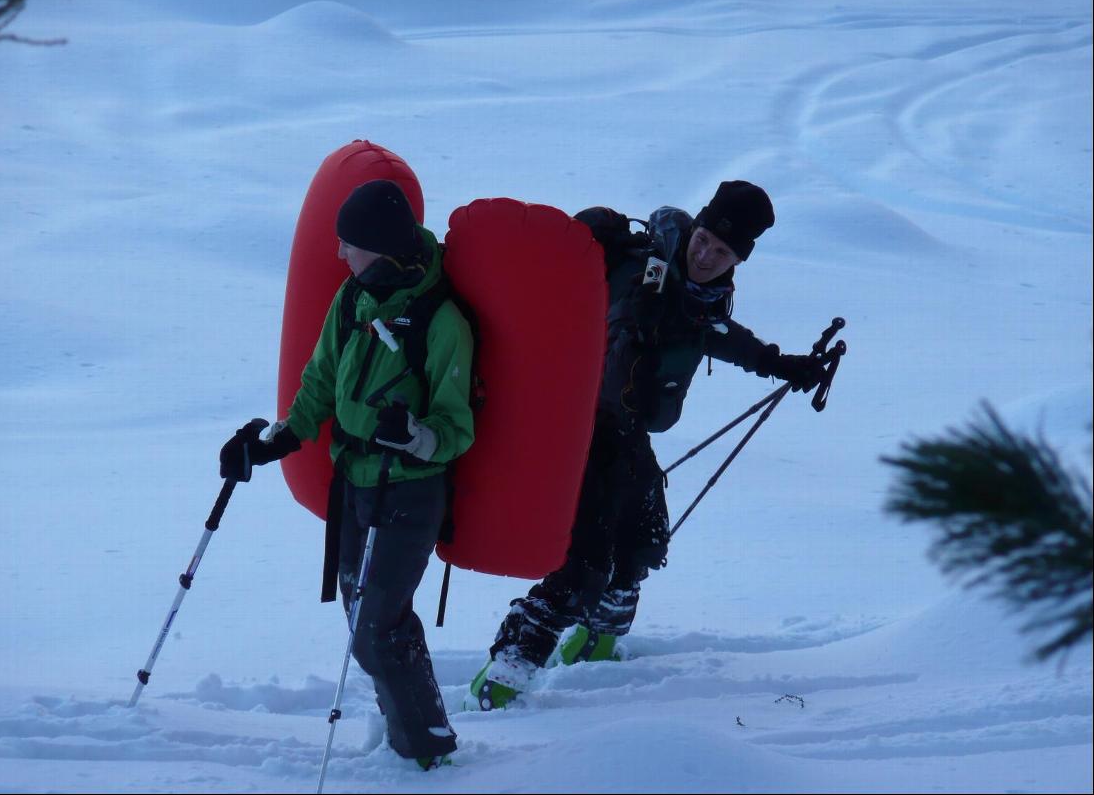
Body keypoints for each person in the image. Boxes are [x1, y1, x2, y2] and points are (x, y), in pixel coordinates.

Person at [468, 180, 827, 710]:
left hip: (626, 432)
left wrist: (782, 364)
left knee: (643, 537)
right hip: (579, 430)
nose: (705, 254)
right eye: (704, 238)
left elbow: (719, 335)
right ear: (697, 225)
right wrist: (634, 318)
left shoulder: (704, 298)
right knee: (583, 562)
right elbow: (585, 312)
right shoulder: (639, 269)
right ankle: (506, 673)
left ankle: (599, 640)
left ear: (738, 259)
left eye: (722, 251)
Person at [219, 179, 475, 769]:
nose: (339, 255)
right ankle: (414, 735)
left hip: (409, 490)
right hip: (355, 484)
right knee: (366, 618)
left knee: (376, 627)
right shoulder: (353, 299)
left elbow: (456, 428)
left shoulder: (442, 323)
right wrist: (272, 443)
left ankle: (426, 752)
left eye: (349, 245)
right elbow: (318, 384)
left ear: (383, 250)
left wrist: (413, 434)